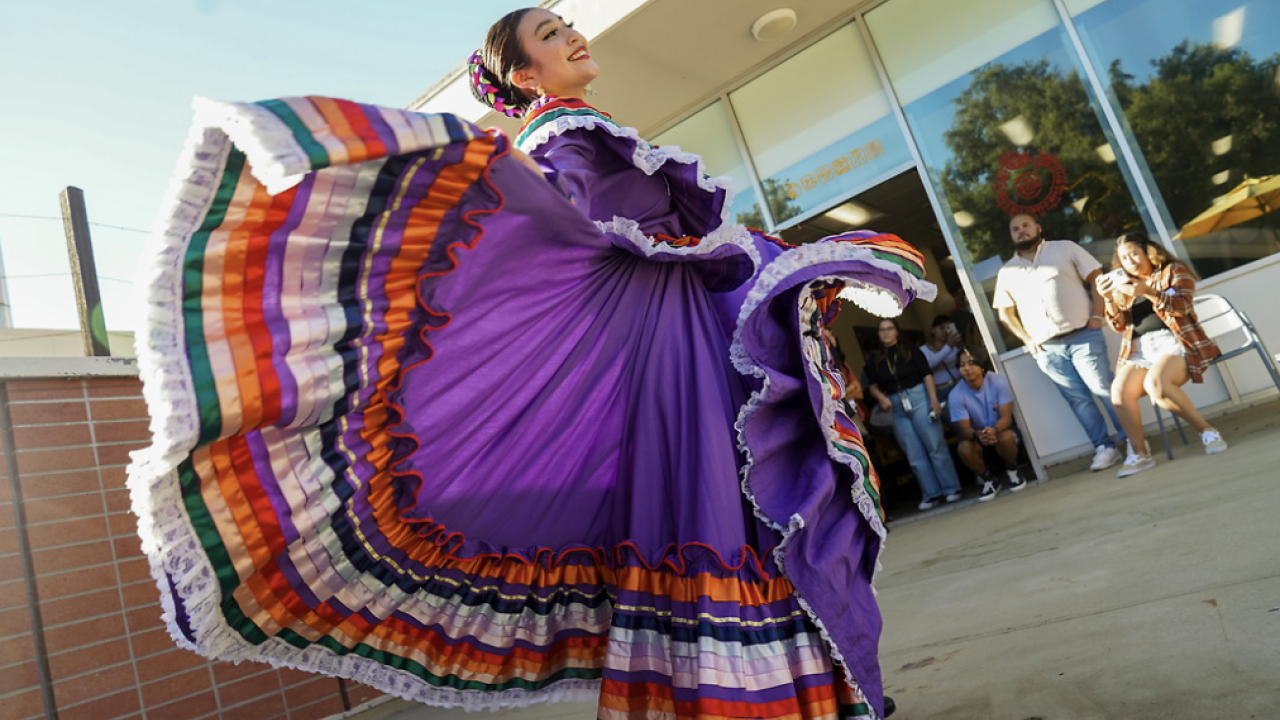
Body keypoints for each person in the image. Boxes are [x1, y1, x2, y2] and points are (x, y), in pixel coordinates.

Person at [126, 8, 931, 720]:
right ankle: (769, 699)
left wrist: (753, 260)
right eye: (551, 34)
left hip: (677, 333)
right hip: (664, 348)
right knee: (721, 509)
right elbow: (569, 227)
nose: (572, 36)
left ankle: (808, 692)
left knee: (743, 509)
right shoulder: (559, 133)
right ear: (524, 75)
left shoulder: (585, 127)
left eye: (568, 25)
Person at [994, 213, 1127, 472]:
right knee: (1078, 400)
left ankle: (1132, 440)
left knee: (1104, 389)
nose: (1021, 231)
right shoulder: (1007, 272)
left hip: (1084, 335)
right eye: (1015, 229)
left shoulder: (1065, 248)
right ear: (1011, 236)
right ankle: (1105, 448)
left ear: (1038, 228)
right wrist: (1027, 340)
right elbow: (1005, 313)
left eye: (1025, 226)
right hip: (1048, 348)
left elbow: (1097, 277)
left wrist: (1097, 316)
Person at [1096, 231, 1227, 477]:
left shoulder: (1173, 271)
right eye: (1124, 258)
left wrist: (1149, 291)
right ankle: (1139, 455)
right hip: (1140, 349)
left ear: (1148, 252)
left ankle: (1208, 431)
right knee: (1119, 392)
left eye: (1134, 254)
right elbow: (1118, 325)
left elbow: (1183, 306)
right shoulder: (1124, 285)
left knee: (1156, 384)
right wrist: (1108, 299)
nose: (1130, 261)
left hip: (1175, 342)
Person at [864, 318, 963, 510]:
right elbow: (872, 385)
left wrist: (934, 400)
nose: (886, 332)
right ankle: (930, 494)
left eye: (889, 328)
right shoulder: (876, 360)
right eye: (882, 330)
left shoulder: (910, 350)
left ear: (897, 331)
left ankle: (951, 488)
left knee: (934, 444)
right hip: (895, 404)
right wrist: (880, 397)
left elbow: (927, 374)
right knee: (913, 452)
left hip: (919, 397)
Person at [948, 345, 1029, 501]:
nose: (967, 368)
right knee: (963, 448)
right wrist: (978, 435)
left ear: (982, 366)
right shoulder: (955, 394)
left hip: (1000, 430)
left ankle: (1013, 470)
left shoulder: (997, 380)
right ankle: (988, 480)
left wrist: (994, 430)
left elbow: (1006, 417)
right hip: (977, 437)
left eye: (971, 363)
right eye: (962, 365)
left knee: (1006, 437)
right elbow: (964, 429)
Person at [921, 315, 962, 408]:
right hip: (941, 390)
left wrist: (960, 346)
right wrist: (948, 347)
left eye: (948, 328)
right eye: (941, 328)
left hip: (960, 384)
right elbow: (929, 365)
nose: (945, 331)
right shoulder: (925, 349)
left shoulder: (955, 345)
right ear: (933, 330)